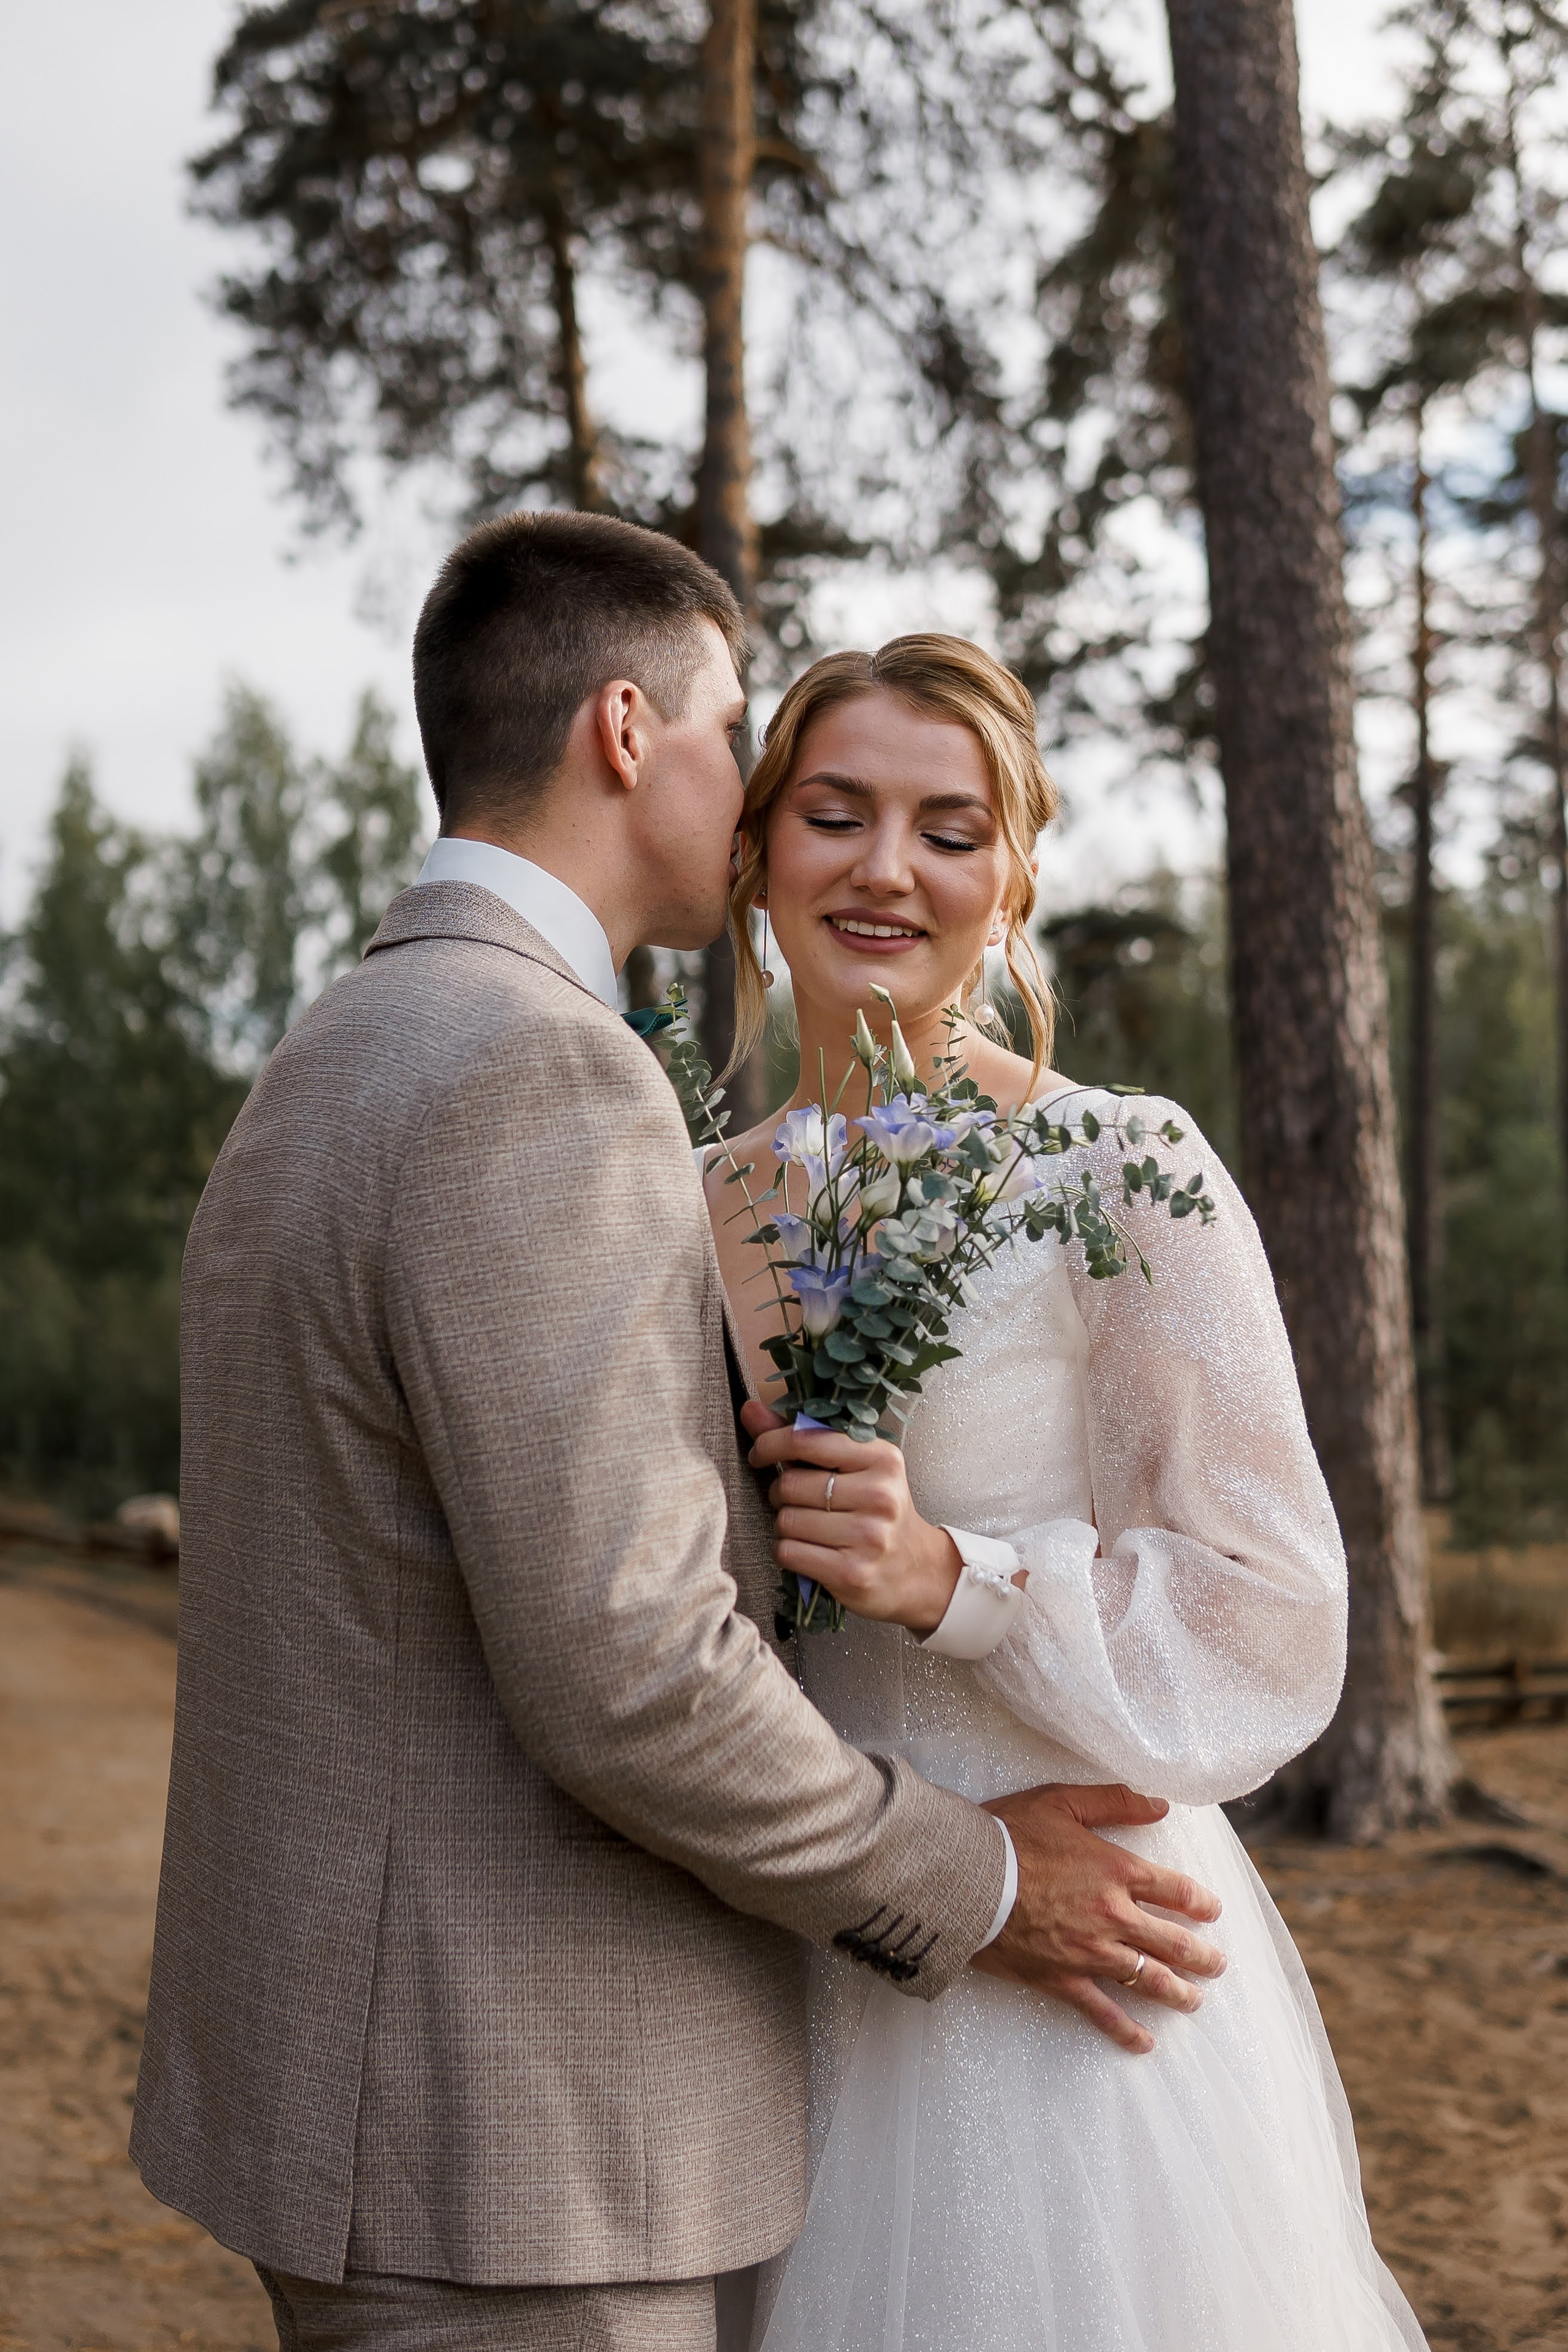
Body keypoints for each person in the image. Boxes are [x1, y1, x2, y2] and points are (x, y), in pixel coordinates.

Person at [130, 516, 1227, 2352]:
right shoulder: (539, 1071)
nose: (751, 796)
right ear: (627, 731)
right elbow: (628, 1672)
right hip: (513, 2141)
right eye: (736, 732)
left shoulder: (344, 1042)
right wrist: (990, 1879)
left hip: (357, 2091)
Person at [701, 633, 1430, 2352]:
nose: (888, 868)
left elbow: (1271, 1600)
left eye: (951, 831)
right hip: (789, 1938)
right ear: (753, 854)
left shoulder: (1126, 1169)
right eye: (836, 812)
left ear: (1016, 876)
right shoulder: (688, 1199)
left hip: (1078, 1958)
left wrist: (955, 1574)